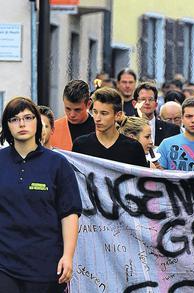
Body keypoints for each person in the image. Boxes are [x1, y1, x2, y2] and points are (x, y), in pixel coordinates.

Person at [0, 97, 82, 292]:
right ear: (7, 126)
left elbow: (69, 213)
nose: (21, 123)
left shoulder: (57, 164)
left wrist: (68, 256)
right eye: (14, 119)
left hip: (46, 264)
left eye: (28, 117)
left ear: (37, 122)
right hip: (5, 264)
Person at [72, 87, 148, 167]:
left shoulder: (133, 148)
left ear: (118, 115)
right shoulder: (80, 145)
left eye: (104, 113)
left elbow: (142, 178)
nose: (97, 118)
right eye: (95, 112)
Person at [49, 80, 95, 151]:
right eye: (68, 108)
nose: (72, 115)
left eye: (77, 110)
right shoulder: (53, 129)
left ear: (89, 104)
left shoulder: (99, 128)